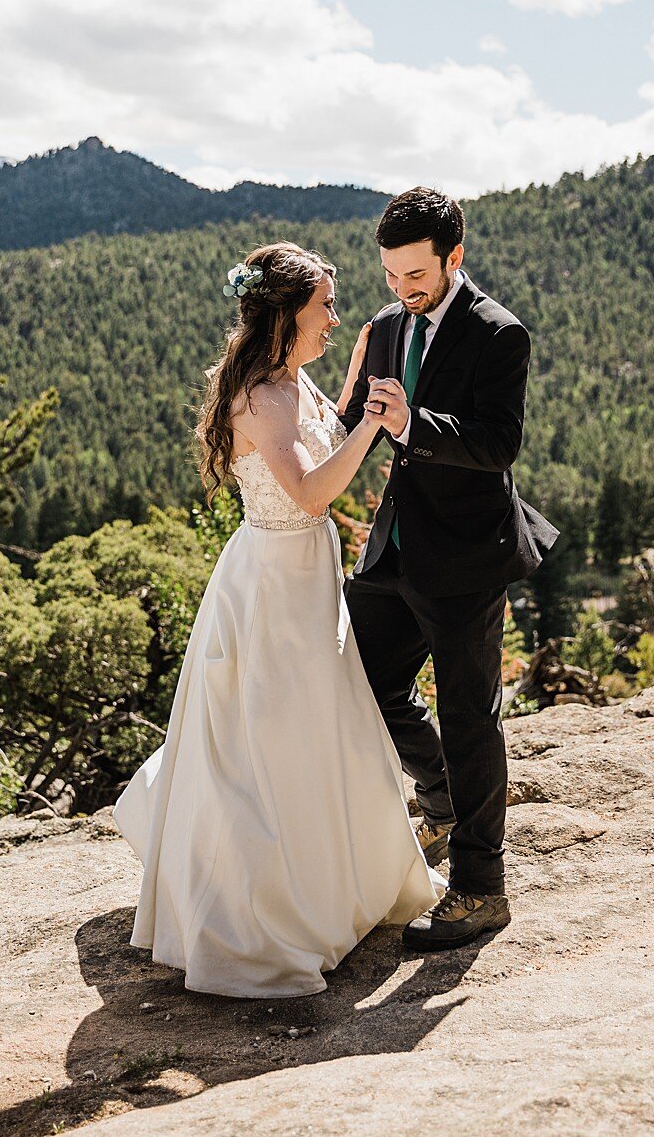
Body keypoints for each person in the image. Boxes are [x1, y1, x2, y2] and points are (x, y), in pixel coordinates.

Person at [112, 241, 442, 998]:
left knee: (318, 735)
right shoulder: (261, 397)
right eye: (325, 305)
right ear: (286, 315)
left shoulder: (292, 378)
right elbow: (313, 493)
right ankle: (270, 912)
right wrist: (373, 425)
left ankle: (333, 890)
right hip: (272, 589)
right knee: (272, 746)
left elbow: (323, 418)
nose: (334, 315)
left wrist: (356, 376)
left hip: (308, 580)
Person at [340, 187, 557, 952]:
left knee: (470, 714)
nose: (402, 291)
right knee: (357, 676)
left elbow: (498, 444)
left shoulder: (500, 334)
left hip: (467, 556)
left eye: (417, 276)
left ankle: (481, 889)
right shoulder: (388, 325)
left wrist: (412, 423)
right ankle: (438, 798)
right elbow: (357, 424)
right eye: (392, 275)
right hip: (393, 546)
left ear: (454, 257)